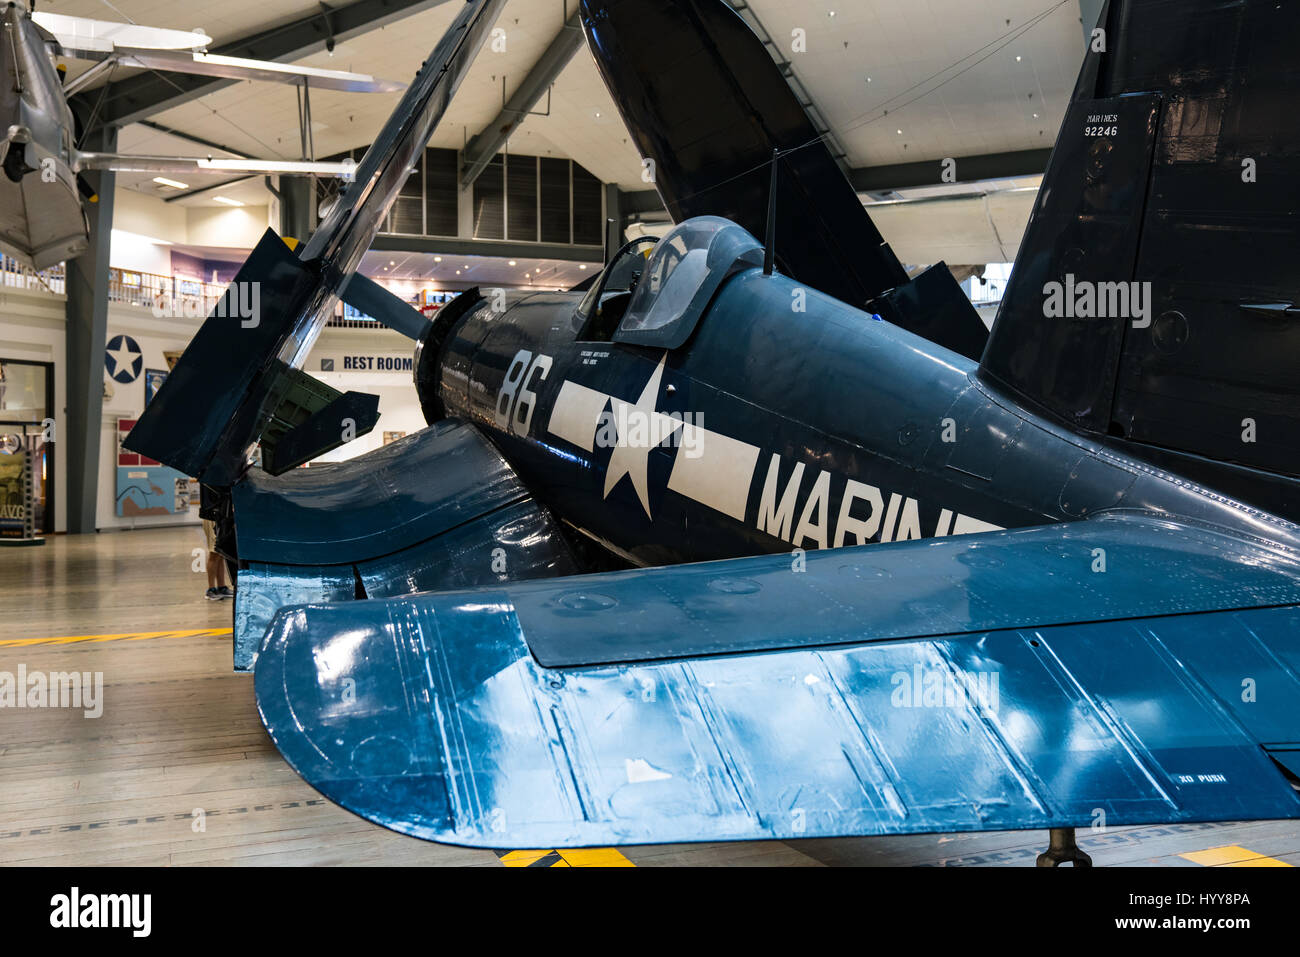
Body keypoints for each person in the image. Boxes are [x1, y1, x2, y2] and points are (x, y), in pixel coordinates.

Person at [202, 517, 232, 600]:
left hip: (220, 517)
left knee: (220, 554)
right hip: (212, 517)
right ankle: (211, 589)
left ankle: (221, 587)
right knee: (214, 552)